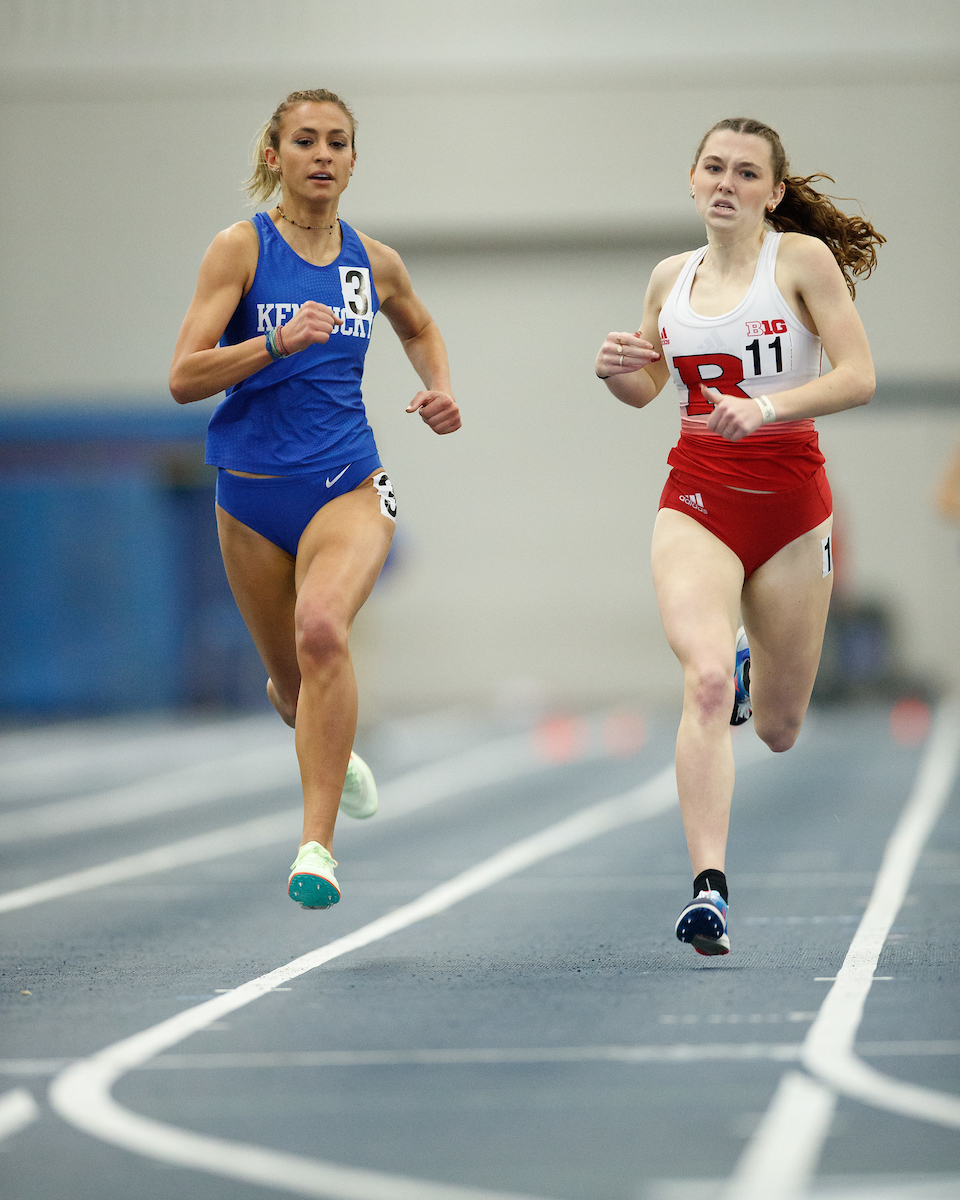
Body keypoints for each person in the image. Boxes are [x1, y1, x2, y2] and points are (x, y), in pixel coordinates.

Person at [595, 117, 882, 955]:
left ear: (774, 193)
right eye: (714, 168)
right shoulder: (666, 279)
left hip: (792, 504)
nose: (728, 183)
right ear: (691, 180)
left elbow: (860, 376)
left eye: (747, 173)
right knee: (707, 680)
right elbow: (649, 387)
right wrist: (617, 371)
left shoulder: (799, 263)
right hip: (698, 499)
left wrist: (767, 408)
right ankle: (709, 889)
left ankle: (759, 662)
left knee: (781, 728)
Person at [169, 89, 460, 910]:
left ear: (354, 160)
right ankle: (326, 736)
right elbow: (183, 376)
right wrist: (275, 341)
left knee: (322, 629)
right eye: (305, 141)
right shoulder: (239, 251)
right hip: (250, 495)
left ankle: (316, 847)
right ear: (275, 156)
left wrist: (438, 387)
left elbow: (420, 324)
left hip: (349, 483)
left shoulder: (375, 259)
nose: (322, 155)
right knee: (294, 686)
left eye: (337, 142)